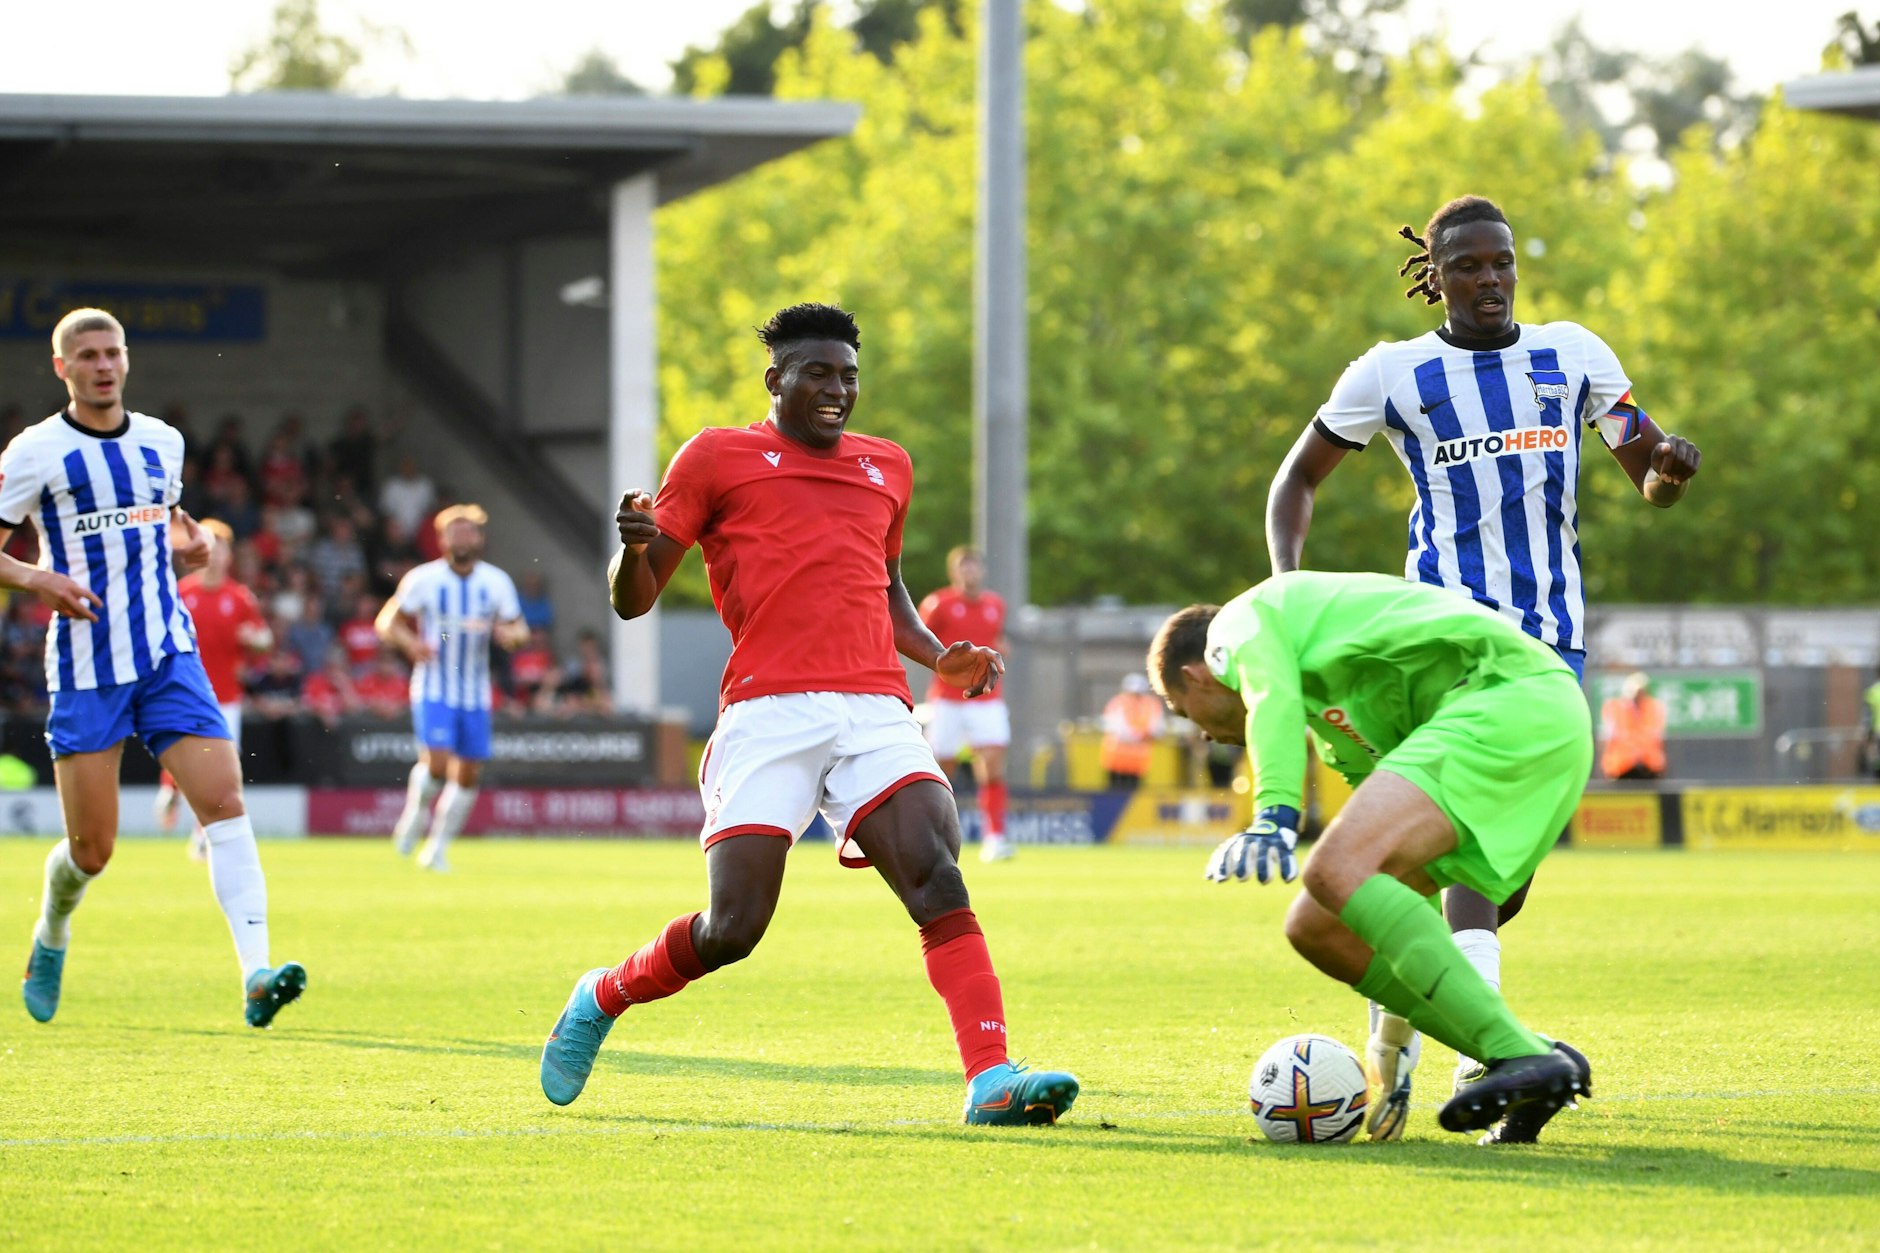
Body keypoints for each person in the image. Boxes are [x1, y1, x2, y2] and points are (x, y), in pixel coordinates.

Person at [538, 302, 1079, 1124]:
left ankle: (990, 1076)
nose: (838, 390)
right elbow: (634, 600)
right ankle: (603, 994)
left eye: (850, 376)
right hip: (768, 710)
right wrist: (635, 544)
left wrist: (940, 655)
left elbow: (885, 585)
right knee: (734, 927)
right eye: (819, 373)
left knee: (937, 867)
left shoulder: (887, 466)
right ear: (776, 379)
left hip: (873, 704)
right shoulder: (717, 455)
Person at [1263, 194, 1701, 1139]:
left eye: (1502, 262)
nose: (1491, 279)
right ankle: (1483, 1056)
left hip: (1550, 644)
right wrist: (1288, 592)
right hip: (1441, 642)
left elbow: (1648, 479)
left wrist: (1669, 466)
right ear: (1439, 274)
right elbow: (1295, 479)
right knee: (1455, 846)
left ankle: (1410, 1045)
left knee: (1495, 872)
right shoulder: (1393, 374)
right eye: (1469, 266)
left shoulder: (1575, 356)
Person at [1149, 572, 1594, 1143]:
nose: (1205, 737)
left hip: (1507, 698)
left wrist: (1274, 816)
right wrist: (1392, 1054)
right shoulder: (1339, 720)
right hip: (1534, 726)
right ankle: (1533, 1061)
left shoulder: (1239, 622)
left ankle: (1515, 1054)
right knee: (1318, 925)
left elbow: (1270, 696)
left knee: (1329, 869)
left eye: (1187, 714)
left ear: (1196, 676)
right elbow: (1404, 907)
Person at [4, 308, 305, 1029]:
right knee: (93, 851)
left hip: (169, 653)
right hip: (86, 665)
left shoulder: (161, 444)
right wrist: (41, 580)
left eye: (113, 352)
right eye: (88, 355)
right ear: (62, 367)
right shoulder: (35, 453)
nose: (103, 365)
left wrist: (190, 548)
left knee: (226, 804)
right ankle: (52, 932)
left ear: (127, 360)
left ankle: (256, 973)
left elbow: (163, 529)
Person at [375, 503, 527, 872]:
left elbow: (519, 629)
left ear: (479, 539)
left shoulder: (495, 582)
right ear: (442, 539)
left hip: (475, 692)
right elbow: (386, 622)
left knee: (469, 774)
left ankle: (437, 848)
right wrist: (411, 644)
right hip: (433, 687)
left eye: (468, 531)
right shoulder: (423, 579)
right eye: (454, 532)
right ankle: (415, 814)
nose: (461, 538)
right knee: (439, 763)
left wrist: (510, 636)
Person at [156, 517, 274, 860]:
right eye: (210, 546)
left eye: (222, 548)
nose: (217, 555)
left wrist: (257, 640)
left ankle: (200, 834)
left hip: (226, 699)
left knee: (219, 771)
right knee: (187, 759)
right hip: (184, 692)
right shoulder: (182, 592)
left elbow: (264, 639)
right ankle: (171, 785)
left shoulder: (238, 598)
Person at [918, 546, 1015, 862]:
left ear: (982, 571)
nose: (969, 572)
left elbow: (994, 639)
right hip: (948, 699)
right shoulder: (939, 604)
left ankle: (995, 837)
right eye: (964, 567)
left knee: (992, 762)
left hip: (986, 699)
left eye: (974, 566)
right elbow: (920, 642)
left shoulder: (995, 605)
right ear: (954, 572)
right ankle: (934, 836)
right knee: (942, 768)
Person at [1099, 673, 1165, 790]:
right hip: (1117, 761)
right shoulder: (1118, 703)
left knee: (1131, 794)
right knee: (1116, 792)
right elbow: (1117, 729)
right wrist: (1141, 736)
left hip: (1136, 762)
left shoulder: (1151, 705)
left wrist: (1140, 736)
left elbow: (1157, 729)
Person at [1600, 672, 1667, 780]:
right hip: (1621, 767)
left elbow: (1659, 737)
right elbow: (1608, 737)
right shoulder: (1614, 707)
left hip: (1649, 766)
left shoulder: (1654, 707)